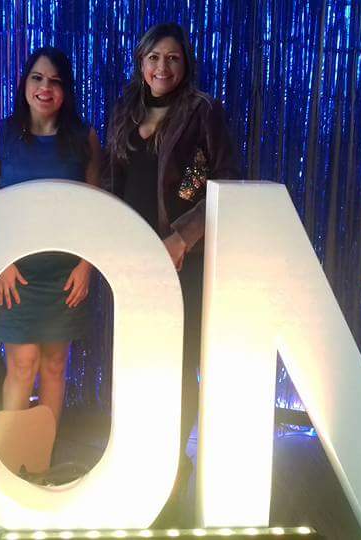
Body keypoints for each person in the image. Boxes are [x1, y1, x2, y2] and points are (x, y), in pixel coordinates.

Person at [107, 22, 239, 526]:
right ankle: (144, 456)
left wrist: (182, 239)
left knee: (179, 361)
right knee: (140, 357)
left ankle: (174, 462)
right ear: (141, 63)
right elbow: (115, 183)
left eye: (173, 58)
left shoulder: (203, 111)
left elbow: (226, 183)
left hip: (184, 258)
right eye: (154, 57)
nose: (163, 67)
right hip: (133, 257)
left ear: (186, 65)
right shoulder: (126, 111)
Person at [0, 46, 103, 426]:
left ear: (66, 90)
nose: (45, 88)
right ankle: (11, 453)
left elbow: (97, 210)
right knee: (22, 363)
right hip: (15, 272)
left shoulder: (84, 137)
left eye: (55, 81)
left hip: (66, 274)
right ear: (25, 83)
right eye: (37, 78)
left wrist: (86, 266)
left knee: (54, 364)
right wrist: (1, 263)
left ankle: (44, 454)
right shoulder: (0, 134)